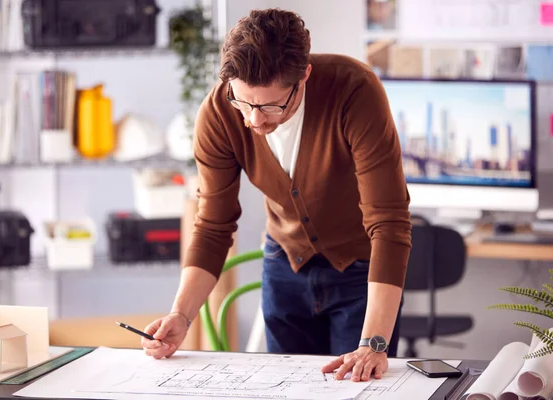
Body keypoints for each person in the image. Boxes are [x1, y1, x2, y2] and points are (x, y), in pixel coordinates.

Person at [142, 8, 411, 383]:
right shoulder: (220, 112)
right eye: (243, 102)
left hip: (362, 271)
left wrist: (375, 342)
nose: (254, 120)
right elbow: (213, 225)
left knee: (357, 386)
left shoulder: (354, 91)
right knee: (287, 389)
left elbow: (389, 222)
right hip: (284, 264)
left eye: (270, 105)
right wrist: (181, 314)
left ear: (304, 77)